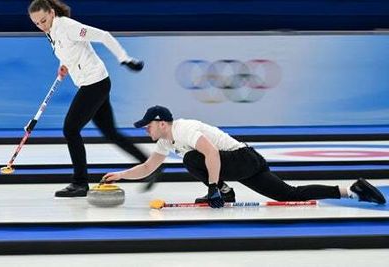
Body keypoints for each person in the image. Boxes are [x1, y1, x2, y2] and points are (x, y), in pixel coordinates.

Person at [102, 105, 386, 208]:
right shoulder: (166, 140)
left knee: (192, 159)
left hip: (240, 158)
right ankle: (352, 190)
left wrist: (214, 188)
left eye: (148, 125)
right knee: (287, 194)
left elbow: (211, 153)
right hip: (244, 161)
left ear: (162, 122)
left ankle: (224, 192)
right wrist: (122, 176)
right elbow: (150, 166)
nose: (145, 130)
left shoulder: (184, 128)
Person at [28, 0, 148, 197]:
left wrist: (124, 59)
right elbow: (69, 49)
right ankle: (149, 164)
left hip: (95, 84)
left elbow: (103, 35)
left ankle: (80, 183)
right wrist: (65, 63)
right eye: (37, 23)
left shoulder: (67, 26)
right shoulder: (52, 31)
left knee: (70, 129)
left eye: (43, 20)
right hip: (92, 82)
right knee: (110, 132)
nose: (42, 26)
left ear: (51, 13)